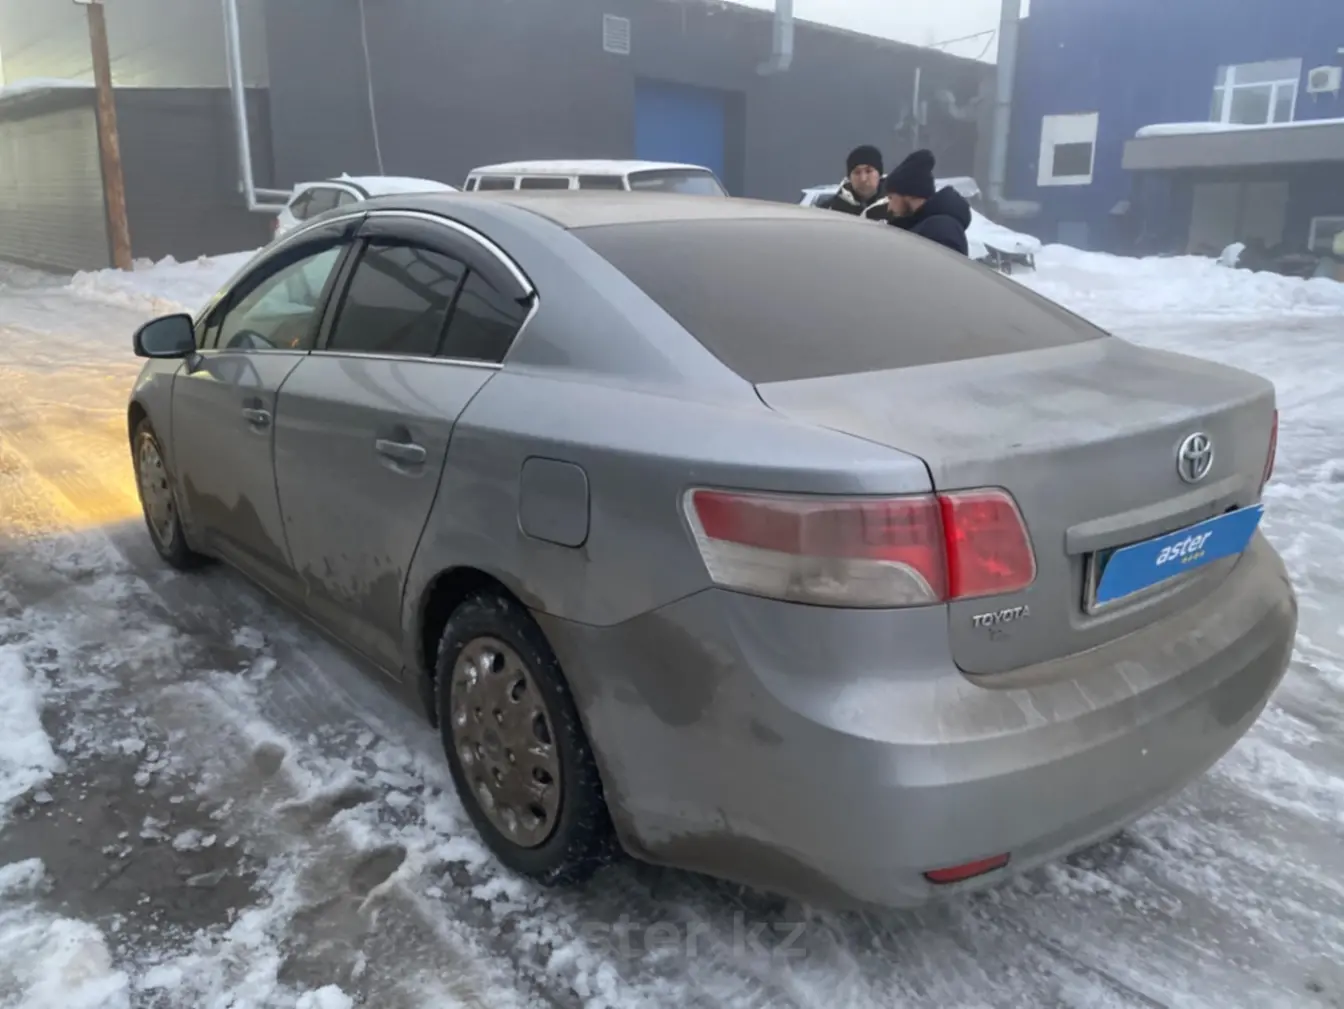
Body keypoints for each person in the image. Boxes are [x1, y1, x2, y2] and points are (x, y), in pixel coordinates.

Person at [880, 149, 971, 256]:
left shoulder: (941, 229)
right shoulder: (928, 227)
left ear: (908, 194)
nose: (889, 208)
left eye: (891, 198)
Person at [819, 145, 886, 217]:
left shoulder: (893, 207)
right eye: (857, 172)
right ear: (849, 177)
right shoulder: (829, 210)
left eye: (868, 171)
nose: (863, 179)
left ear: (879, 174)